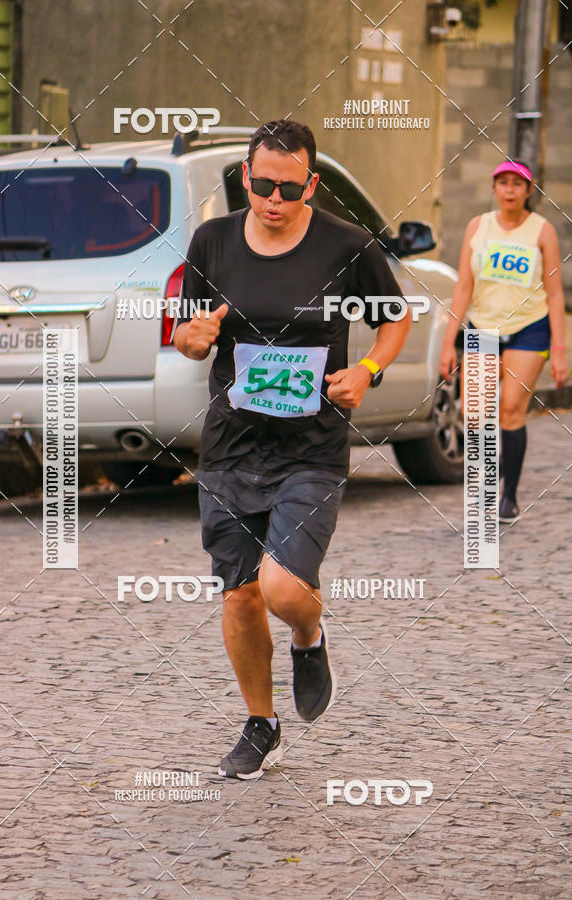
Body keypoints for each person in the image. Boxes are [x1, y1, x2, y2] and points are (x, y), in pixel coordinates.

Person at [173, 119, 411, 779]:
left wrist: (368, 372)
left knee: (282, 589)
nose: (274, 199)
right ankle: (261, 724)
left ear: (311, 183)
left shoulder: (345, 245)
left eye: (289, 187)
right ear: (245, 179)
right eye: (260, 185)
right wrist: (195, 336)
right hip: (229, 449)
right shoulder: (212, 241)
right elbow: (189, 340)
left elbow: (395, 320)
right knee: (241, 594)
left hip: (311, 447)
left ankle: (309, 634)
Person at [439, 159, 569, 523]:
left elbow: (556, 294)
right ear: (494, 188)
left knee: (511, 409)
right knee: (475, 413)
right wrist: (449, 341)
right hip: (483, 328)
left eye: (518, 183)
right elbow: (463, 285)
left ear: (529, 190)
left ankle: (508, 495)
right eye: (503, 182)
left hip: (530, 328)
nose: (510, 189)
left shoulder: (541, 231)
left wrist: (559, 350)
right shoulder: (477, 227)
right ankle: (486, 484)